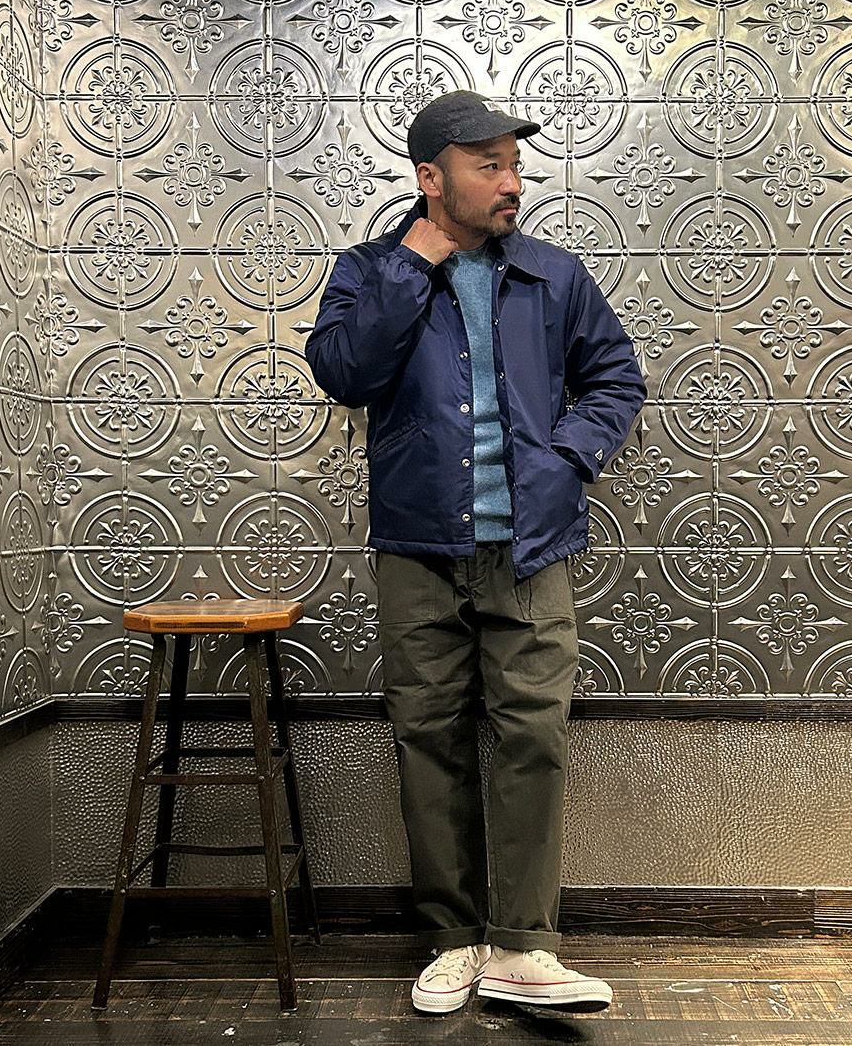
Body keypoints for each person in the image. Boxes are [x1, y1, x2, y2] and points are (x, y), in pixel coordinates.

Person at [304, 90, 646, 1015]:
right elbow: (344, 372)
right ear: (431, 177)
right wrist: (411, 265)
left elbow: (617, 377)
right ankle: (454, 940)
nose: (512, 183)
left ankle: (526, 947)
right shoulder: (368, 270)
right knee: (429, 739)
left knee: (533, 735)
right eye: (489, 165)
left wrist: (567, 459)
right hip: (418, 545)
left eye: (515, 165)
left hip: (530, 546)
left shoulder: (553, 275)